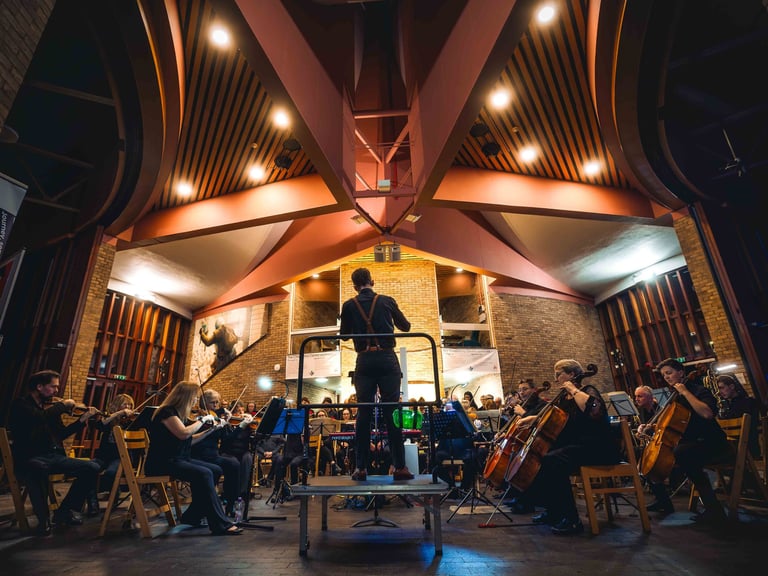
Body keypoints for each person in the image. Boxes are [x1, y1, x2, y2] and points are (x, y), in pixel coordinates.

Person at [515, 359, 620, 535]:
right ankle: (554, 511)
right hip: (575, 448)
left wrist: (572, 388)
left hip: (596, 448)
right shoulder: (563, 399)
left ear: (571, 374)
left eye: (559, 374)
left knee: (552, 460)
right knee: (540, 458)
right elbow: (551, 419)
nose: (556, 379)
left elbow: (595, 412)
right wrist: (531, 419)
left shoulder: (587, 391)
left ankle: (572, 520)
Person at [339, 267, 414, 481]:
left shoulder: (349, 305)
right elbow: (406, 327)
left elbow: (344, 336)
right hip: (387, 359)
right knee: (393, 413)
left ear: (354, 286)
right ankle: (399, 467)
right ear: (372, 281)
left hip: (363, 360)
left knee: (363, 414)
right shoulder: (386, 301)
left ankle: (360, 468)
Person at [9, 369, 102, 535]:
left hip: (52, 456)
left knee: (92, 467)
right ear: (39, 386)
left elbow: (60, 434)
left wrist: (81, 420)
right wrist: (62, 406)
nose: (56, 391)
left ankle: (64, 511)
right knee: (38, 468)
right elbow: (39, 417)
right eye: (53, 387)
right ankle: (43, 519)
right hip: (29, 458)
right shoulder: (21, 405)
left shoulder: (50, 409)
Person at [641, 358, 732, 525]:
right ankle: (665, 501)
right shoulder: (675, 398)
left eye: (669, 373)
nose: (666, 377)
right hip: (693, 445)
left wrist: (685, 392)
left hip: (713, 444)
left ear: (681, 372)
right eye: (664, 375)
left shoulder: (699, 390)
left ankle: (714, 510)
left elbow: (707, 413)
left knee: (682, 453)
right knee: (658, 455)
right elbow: (672, 425)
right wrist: (650, 427)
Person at [144, 381, 242, 535]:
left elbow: (190, 440)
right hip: (162, 462)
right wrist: (202, 420)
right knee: (204, 473)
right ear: (185, 397)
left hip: (179, 459)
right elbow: (183, 433)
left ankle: (192, 516)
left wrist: (211, 430)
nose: (196, 402)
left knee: (215, 470)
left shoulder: (178, 414)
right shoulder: (167, 412)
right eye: (194, 399)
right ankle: (219, 524)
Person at [190, 388, 244, 516]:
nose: (216, 406)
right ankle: (204, 507)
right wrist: (210, 424)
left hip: (213, 456)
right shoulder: (198, 419)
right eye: (212, 403)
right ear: (203, 404)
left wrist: (238, 427)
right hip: (198, 456)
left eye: (217, 403)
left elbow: (227, 440)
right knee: (217, 469)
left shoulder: (217, 419)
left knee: (234, 464)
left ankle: (230, 504)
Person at [89, 393, 136, 514]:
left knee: (111, 472)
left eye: (130, 405)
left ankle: (114, 495)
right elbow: (101, 424)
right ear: (117, 406)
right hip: (104, 455)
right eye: (125, 404)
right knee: (88, 469)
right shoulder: (109, 420)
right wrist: (118, 414)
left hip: (121, 456)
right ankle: (92, 503)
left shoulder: (130, 422)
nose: (128, 407)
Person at [218, 402, 257, 504]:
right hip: (228, 452)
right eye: (237, 412)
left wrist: (252, 428)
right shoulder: (227, 424)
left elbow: (253, 441)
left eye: (242, 411)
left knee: (248, 459)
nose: (240, 415)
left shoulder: (247, 425)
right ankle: (230, 493)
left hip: (243, 451)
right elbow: (226, 441)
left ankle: (242, 491)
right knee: (233, 462)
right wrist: (240, 427)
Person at [716, 374, 762, 458]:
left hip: (746, 449)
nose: (719, 392)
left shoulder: (748, 402)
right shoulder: (726, 405)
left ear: (732, 386)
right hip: (737, 448)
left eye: (722, 388)